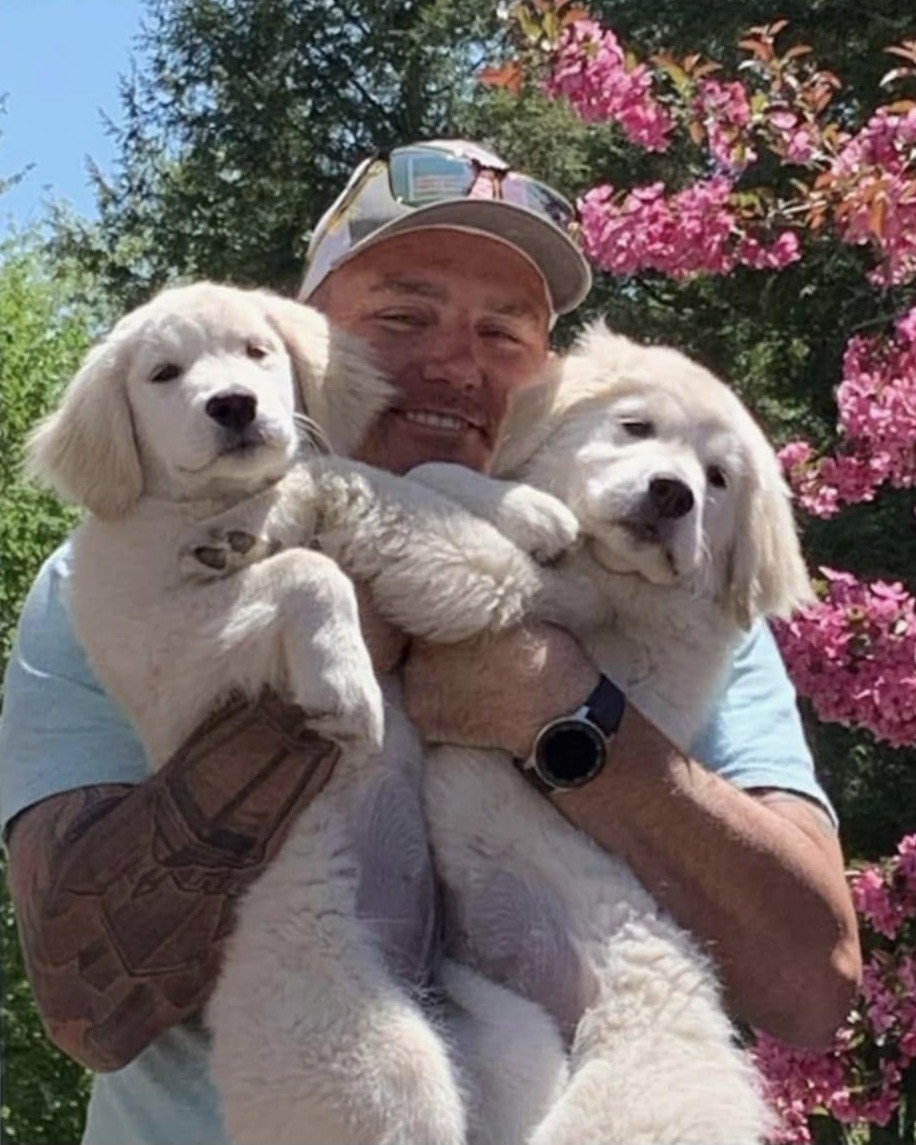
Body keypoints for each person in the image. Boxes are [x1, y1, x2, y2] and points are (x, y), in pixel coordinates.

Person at [0, 140, 860, 1145]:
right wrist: (323, 662)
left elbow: (813, 983)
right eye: (403, 318)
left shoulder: (670, 590)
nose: (456, 363)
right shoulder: (127, 566)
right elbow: (86, 999)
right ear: (306, 338)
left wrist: (567, 713)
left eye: (504, 332)